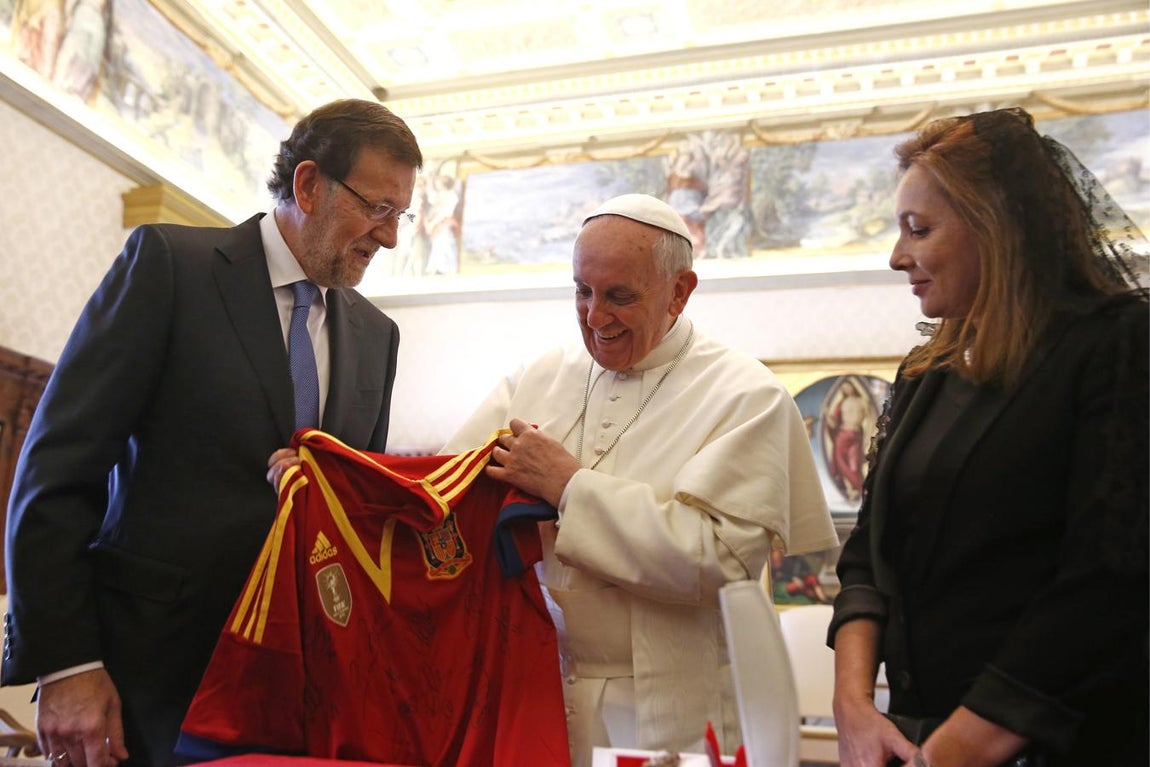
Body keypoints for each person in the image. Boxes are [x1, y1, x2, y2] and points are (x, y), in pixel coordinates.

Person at [2, 98, 423, 767]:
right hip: (146, 689)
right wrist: (66, 665)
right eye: (377, 208)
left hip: (295, 703)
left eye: (400, 214)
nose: (391, 236)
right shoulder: (171, 267)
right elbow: (56, 473)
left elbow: (350, 523)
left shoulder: (379, 336)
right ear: (309, 184)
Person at [439, 193, 838, 765]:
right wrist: (333, 479)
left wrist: (569, 488)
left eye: (620, 296)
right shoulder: (538, 376)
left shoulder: (747, 395)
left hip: (670, 700)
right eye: (582, 291)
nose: (595, 317)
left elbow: (722, 560)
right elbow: (447, 489)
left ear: (679, 291)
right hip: (537, 684)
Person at [828, 107, 1148, 767]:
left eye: (918, 229)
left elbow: (1109, 576)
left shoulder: (1113, 346)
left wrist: (964, 744)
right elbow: (868, 554)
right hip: (917, 737)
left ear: (996, 226)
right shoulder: (926, 371)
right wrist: (855, 706)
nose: (897, 256)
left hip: (1059, 742)